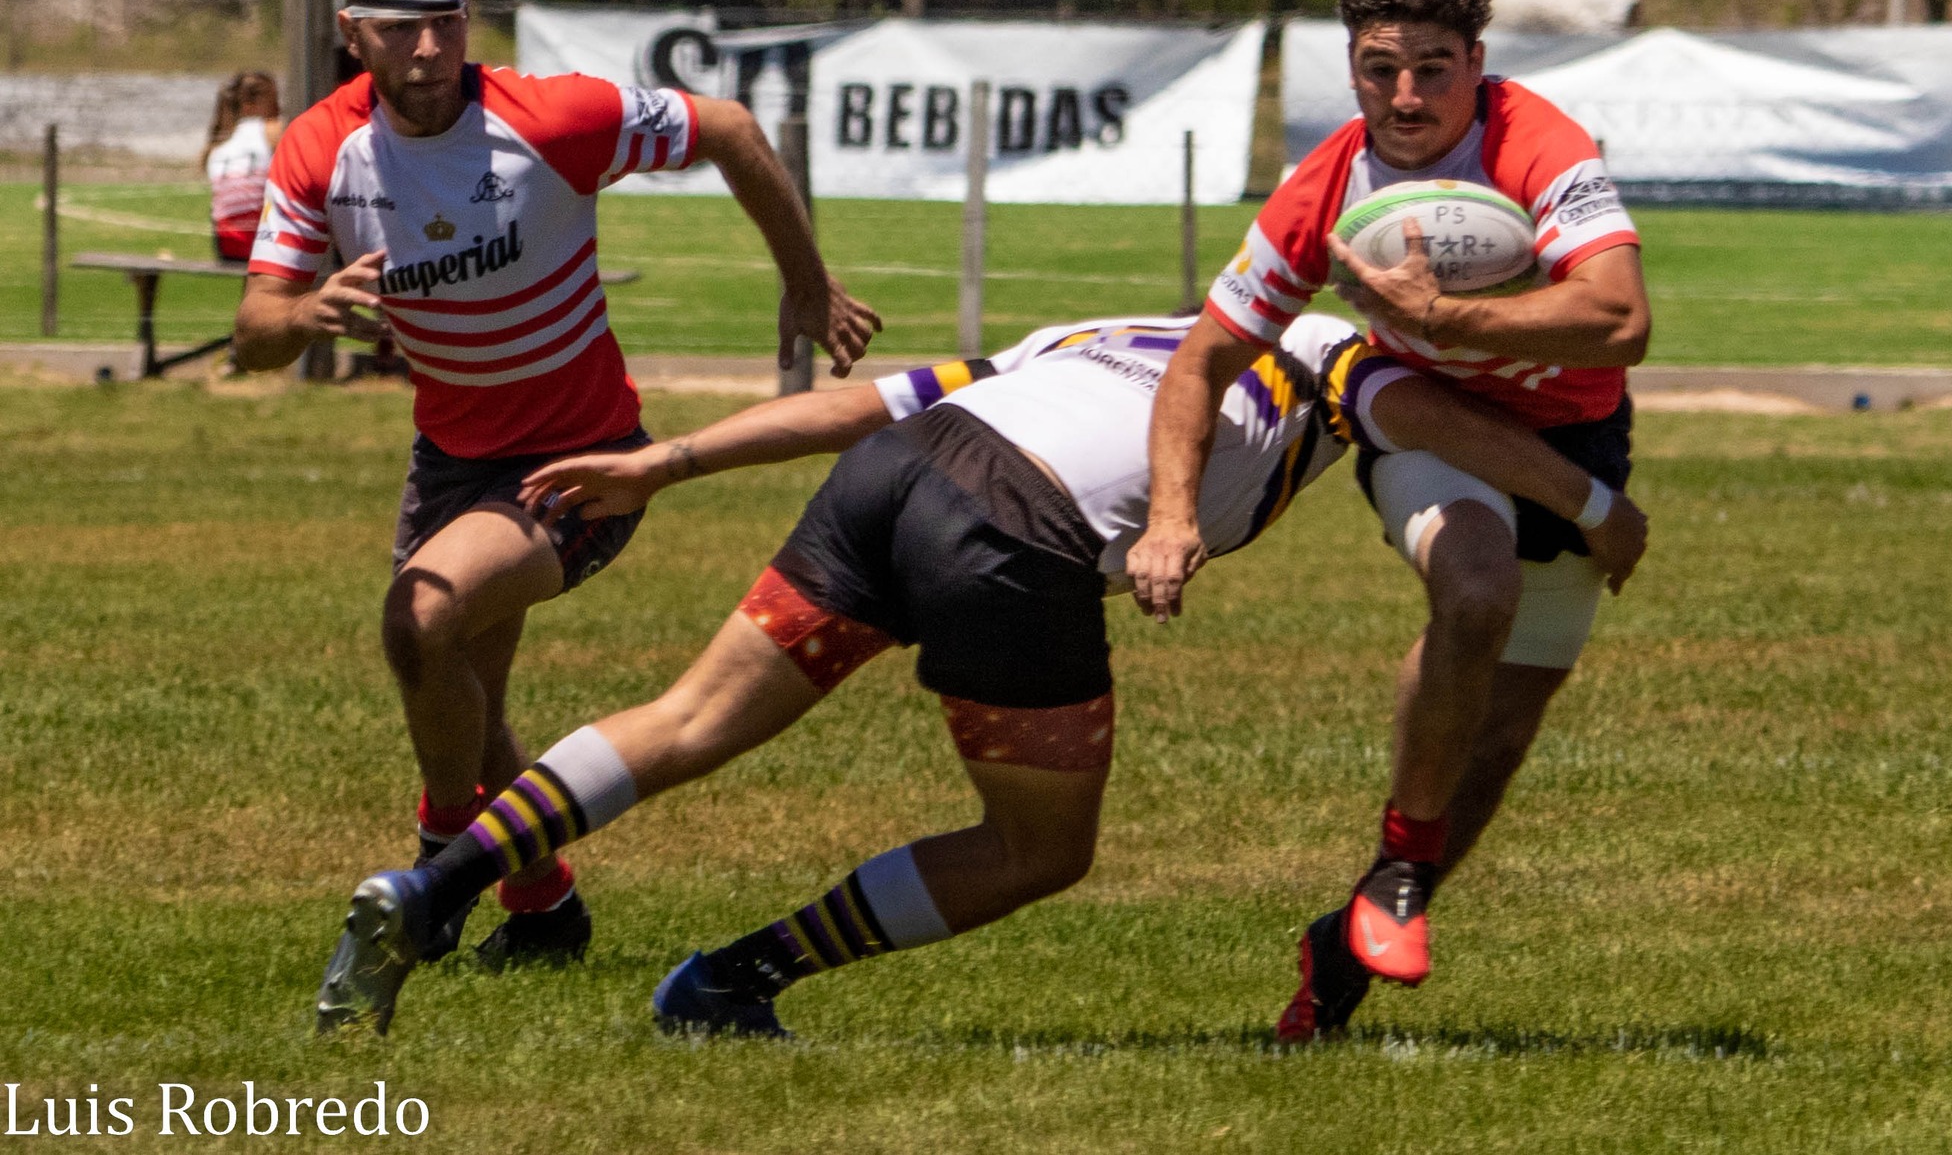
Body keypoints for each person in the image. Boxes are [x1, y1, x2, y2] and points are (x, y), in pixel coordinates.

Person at [312, 309, 1647, 1036]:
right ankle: (731, 979)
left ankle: (432, 887)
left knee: (688, 717)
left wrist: (669, 459)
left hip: (897, 475)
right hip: (1017, 529)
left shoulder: (1102, 326)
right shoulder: (1339, 355)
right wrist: (1593, 505)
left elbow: (869, 405)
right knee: (1038, 848)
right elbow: (1431, 415)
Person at [233, 0, 879, 971]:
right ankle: (542, 908)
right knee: (460, 688)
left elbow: (726, 127)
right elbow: (255, 328)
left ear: (467, 18)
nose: (430, 50)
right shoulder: (321, 147)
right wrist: (302, 316)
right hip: (451, 461)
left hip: (584, 461)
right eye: (401, 30)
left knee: (422, 616)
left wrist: (805, 284)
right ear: (353, 33)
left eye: (446, 22)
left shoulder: (550, 115)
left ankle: (439, 861)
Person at [1127, 0, 1652, 1041]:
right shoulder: (1323, 187)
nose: (1405, 94)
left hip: (1574, 432)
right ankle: (1404, 865)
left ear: (1476, 60)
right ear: (1350, 65)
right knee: (1472, 590)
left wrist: (1444, 316)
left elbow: (1619, 319)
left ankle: (1348, 946)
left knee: (1497, 738)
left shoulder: (1536, 143)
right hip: (1427, 429)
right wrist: (1170, 515)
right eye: (1378, 67)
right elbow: (1200, 359)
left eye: (1430, 67)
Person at [204, 70, 281, 264]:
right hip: (260, 244)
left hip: (226, 246)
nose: (279, 107)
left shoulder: (218, 144)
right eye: (273, 101)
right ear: (249, 106)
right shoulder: (272, 129)